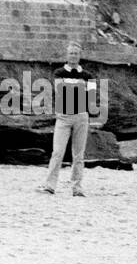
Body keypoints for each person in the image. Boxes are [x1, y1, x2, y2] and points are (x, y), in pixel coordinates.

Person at [39, 42, 105, 196]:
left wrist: (74, 89)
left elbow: (91, 95)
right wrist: (80, 88)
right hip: (63, 116)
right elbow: (60, 91)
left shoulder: (88, 75)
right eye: (71, 53)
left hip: (81, 116)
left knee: (78, 155)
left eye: (76, 53)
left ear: (79, 55)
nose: (73, 56)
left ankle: (77, 187)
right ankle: (50, 185)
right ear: (67, 55)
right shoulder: (59, 72)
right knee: (58, 152)